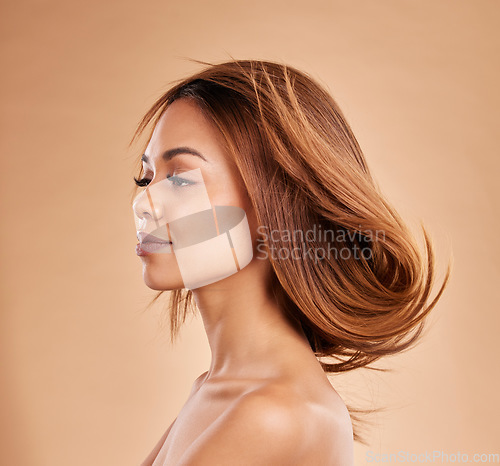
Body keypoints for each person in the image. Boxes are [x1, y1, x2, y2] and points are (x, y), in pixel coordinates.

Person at [130, 59, 450, 465]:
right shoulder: (214, 389)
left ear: (272, 204)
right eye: (146, 178)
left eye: (180, 179)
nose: (144, 203)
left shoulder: (272, 414)